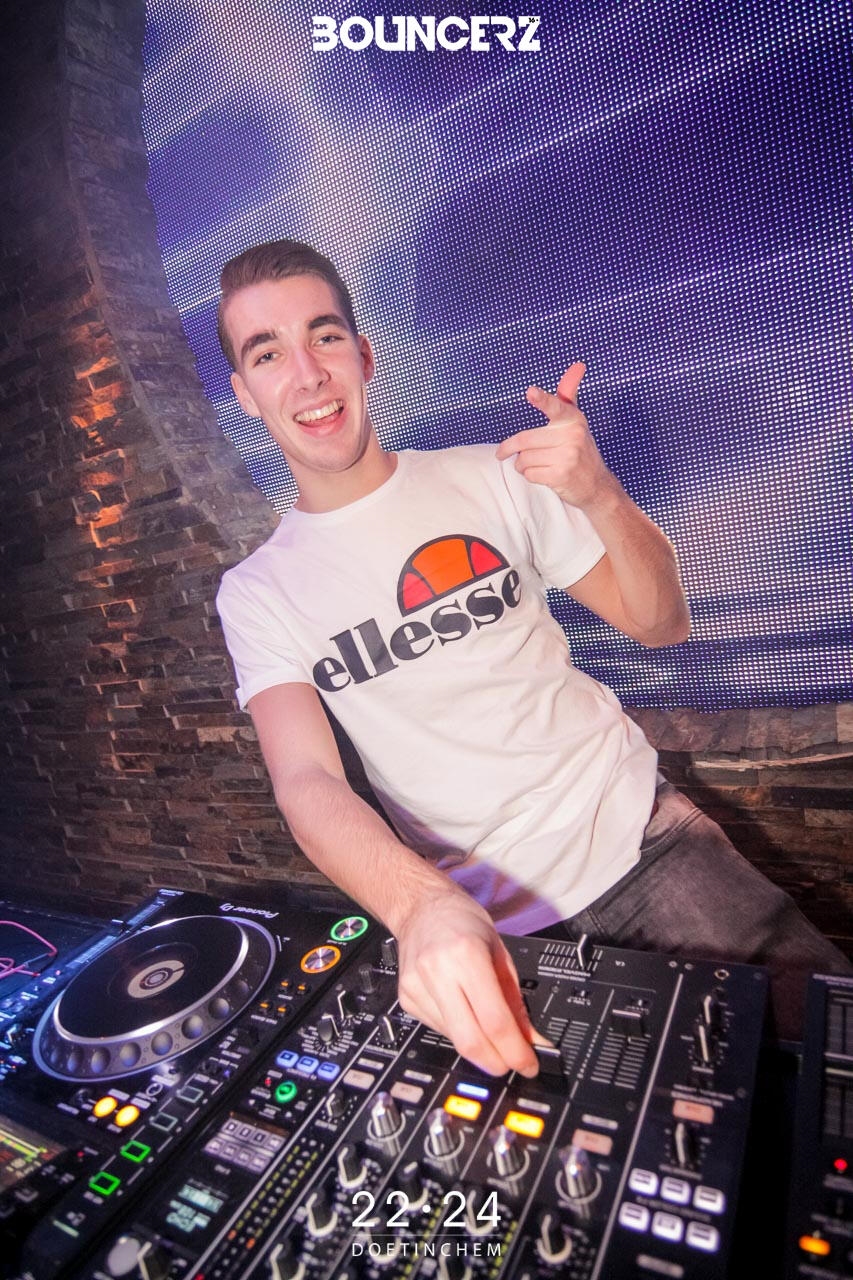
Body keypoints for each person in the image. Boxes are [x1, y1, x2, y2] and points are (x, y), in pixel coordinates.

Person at [214, 239, 849, 1069]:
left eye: (324, 336)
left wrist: (600, 495)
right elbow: (306, 779)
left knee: (829, 1067)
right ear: (244, 393)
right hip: (488, 923)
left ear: (364, 356)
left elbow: (660, 625)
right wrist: (418, 907)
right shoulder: (257, 591)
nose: (306, 374)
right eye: (267, 353)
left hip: (649, 849)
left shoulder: (492, 476)